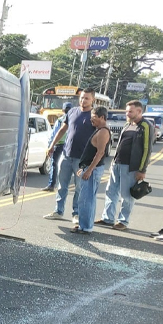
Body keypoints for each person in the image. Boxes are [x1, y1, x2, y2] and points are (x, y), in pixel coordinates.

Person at [95, 100, 154, 230]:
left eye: (130, 111)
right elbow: (120, 145)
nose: (127, 113)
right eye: (127, 111)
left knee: (126, 195)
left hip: (131, 166)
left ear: (139, 111)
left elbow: (147, 149)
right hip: (118, 163)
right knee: (111, 191)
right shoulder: (128, 124)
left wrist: (142, 169)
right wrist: (113, 161)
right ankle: (108, 218)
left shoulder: (145, 126)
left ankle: (123, 221)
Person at [43, 88, 97, 224]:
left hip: (82, 159)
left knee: (79, 188)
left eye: (86, 98)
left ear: (92, 100)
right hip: (67, 155)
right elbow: (63, 129)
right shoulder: (72, 111)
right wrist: (52, 145)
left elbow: (100, 134)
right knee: (62, 185)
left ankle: (76, 214)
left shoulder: (93, 115)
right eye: (82, 98)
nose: (83, 100)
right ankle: (58, 211)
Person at [71, 106, 110, 234]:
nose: (91, 120)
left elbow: (100, 153)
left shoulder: (103, 132)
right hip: (87, 167)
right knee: (84, 198)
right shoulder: (98, 130)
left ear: (102, 117)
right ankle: (83, 225)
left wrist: (89, 170)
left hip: (93, 170)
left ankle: (86, 227)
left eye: (93, 117)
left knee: (87, 199)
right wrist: (83, 167)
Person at [41, 102, 72, 191]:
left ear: (63, 110)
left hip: (59, 144)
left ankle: (52, 185)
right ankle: (63, 184)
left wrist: (50, 145)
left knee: (54, 164)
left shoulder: (60, 120)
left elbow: (54, 133)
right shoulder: (74, 120)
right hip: (69, 146)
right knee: (66, 166)